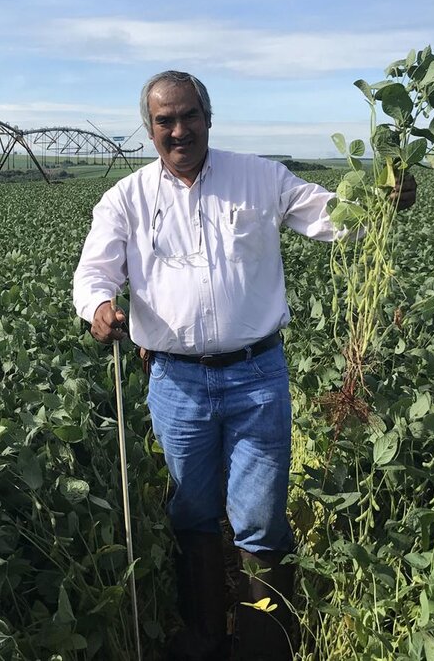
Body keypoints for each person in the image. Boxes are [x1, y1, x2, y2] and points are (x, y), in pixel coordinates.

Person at [73, 71, 416, 661]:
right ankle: (205, 635)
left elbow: (329, 215)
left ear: (208, 116)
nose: (178, 131)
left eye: (188, 116)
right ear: (150, 129)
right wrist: (100, 306)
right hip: (176, 381)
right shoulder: (126, 198)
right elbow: (94, 272)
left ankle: (263, 641)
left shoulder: (259, 177)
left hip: (256, 375)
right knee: (193, 511)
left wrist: (382, 196)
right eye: (164, 121)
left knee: (258, 520)